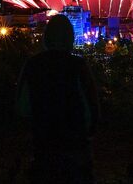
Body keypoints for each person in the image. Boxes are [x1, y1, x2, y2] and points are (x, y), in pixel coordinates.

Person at [17, 15, 100, 184]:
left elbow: (22, 108)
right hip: (75, 148)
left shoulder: (33, 65)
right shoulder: (78, 66)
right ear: (70, 38)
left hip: (43, 146)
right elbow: (92, 110)